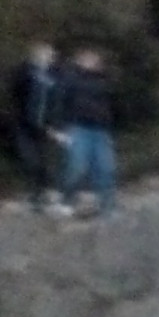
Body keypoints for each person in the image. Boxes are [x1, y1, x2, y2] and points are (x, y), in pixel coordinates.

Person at [52, 47, 118, 217]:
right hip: (78, 128)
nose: (93, 62)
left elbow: (111, 105)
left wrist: (111, 128)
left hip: (101, 130)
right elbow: (59, 103)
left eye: (95, 59)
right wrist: (60, 129)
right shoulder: (70, 78)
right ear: (79, 61)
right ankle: (67, 200)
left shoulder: (104, 79)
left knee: (105, 168)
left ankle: (107, 206)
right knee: (77, 167)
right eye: (88, 59)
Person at [7, 43, 60, 205]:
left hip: (44, 125)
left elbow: (57, 99)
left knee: (44, 160)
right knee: (31, 160)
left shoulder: (54, 74)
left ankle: (44, 191)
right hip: (24, 123)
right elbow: (16, 91)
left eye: (52, 55)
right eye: (47, 55)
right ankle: (36, 192)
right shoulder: (25, 71)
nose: (51, 58)